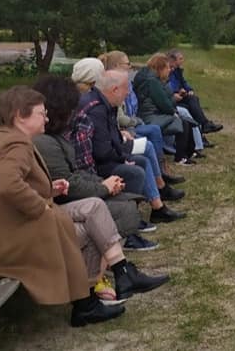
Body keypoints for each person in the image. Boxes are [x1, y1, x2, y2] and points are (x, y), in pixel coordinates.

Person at [0, 86, 124, 326]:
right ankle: (85, 303)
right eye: (40, 113)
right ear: (19, 115)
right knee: (89, 231)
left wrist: (49, 190)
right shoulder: (17, 144)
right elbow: (6, 184)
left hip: (6, 230)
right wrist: (40, 206)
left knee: (93, 209)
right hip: (12, 238)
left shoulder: (5, 137)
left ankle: (95, 292)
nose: (46, 118)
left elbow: (11, 185)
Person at [32, 74, 159, 252]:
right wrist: (104, 186)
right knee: (129, 190)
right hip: (59, 202)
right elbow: (85, 166)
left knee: (137, 169)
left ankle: (115, 260)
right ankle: (114, 257)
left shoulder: (59, 132)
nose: (74, 112)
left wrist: (103, 181)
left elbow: (74, 171)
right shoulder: (88, 113)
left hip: (77, 182)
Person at [71, 69, 187, 223]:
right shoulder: (96, 110)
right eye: (126, 88)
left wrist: (123, 156)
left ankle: (157, 208)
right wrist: (123, 158)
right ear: (114, 89)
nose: (128, 93)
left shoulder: (104, 103)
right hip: (92, 168)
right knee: (136, 170)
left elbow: (112, 139)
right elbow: (101, 152)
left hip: (101, 159)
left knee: (142, 161)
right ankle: (131, 220)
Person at [100, 50, 184, 185]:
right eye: (127, 63)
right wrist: (136, 121)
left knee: (161, 126)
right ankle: (161, 176)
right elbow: (120, 118)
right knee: (153, 135)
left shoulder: (125, 82)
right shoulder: (114, 86)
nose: (130, 66)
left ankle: (162, 171)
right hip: (126, 128)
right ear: (117, 65)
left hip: (130, 124)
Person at [134, 53, 198, 165]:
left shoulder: (149, 77)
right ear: (161, 68)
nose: (170, 70)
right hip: (150, 116)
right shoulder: (152, 81)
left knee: (186, 122)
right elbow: (163, 103)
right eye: (168, 67)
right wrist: (173, 112)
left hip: (151, 113)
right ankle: (181, 157)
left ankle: (188, 153)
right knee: (183, 123)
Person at [166, 49, 223, 136]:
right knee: (191, 105)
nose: (182, 60)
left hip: (179, 95)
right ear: (173, 60)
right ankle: (204, 127)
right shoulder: (168, 71)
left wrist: (189, 90)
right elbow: (168, 84)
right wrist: (177, 91)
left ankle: (203, 130)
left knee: (193, 100)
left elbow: (183, 82)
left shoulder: (178, 71)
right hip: (172, 98)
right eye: (180, 59)